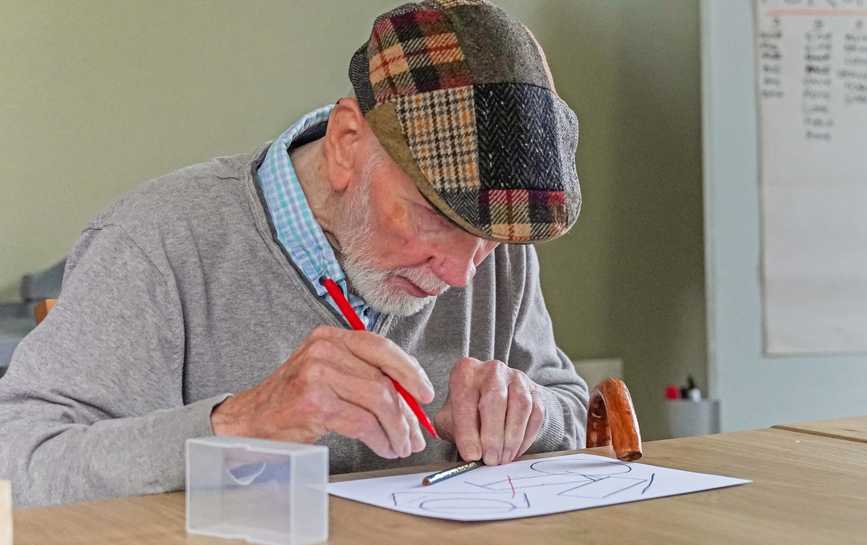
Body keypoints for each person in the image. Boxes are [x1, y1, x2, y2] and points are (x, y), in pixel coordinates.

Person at [0, 0, 587, 507]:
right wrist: (237, 424)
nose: (461, 274)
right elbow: (19, 461)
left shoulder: (494, 241)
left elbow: (573, 408)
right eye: (434, 216)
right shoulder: (156, 242)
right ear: (345, 143)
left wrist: (527, 412)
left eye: (486, 242)